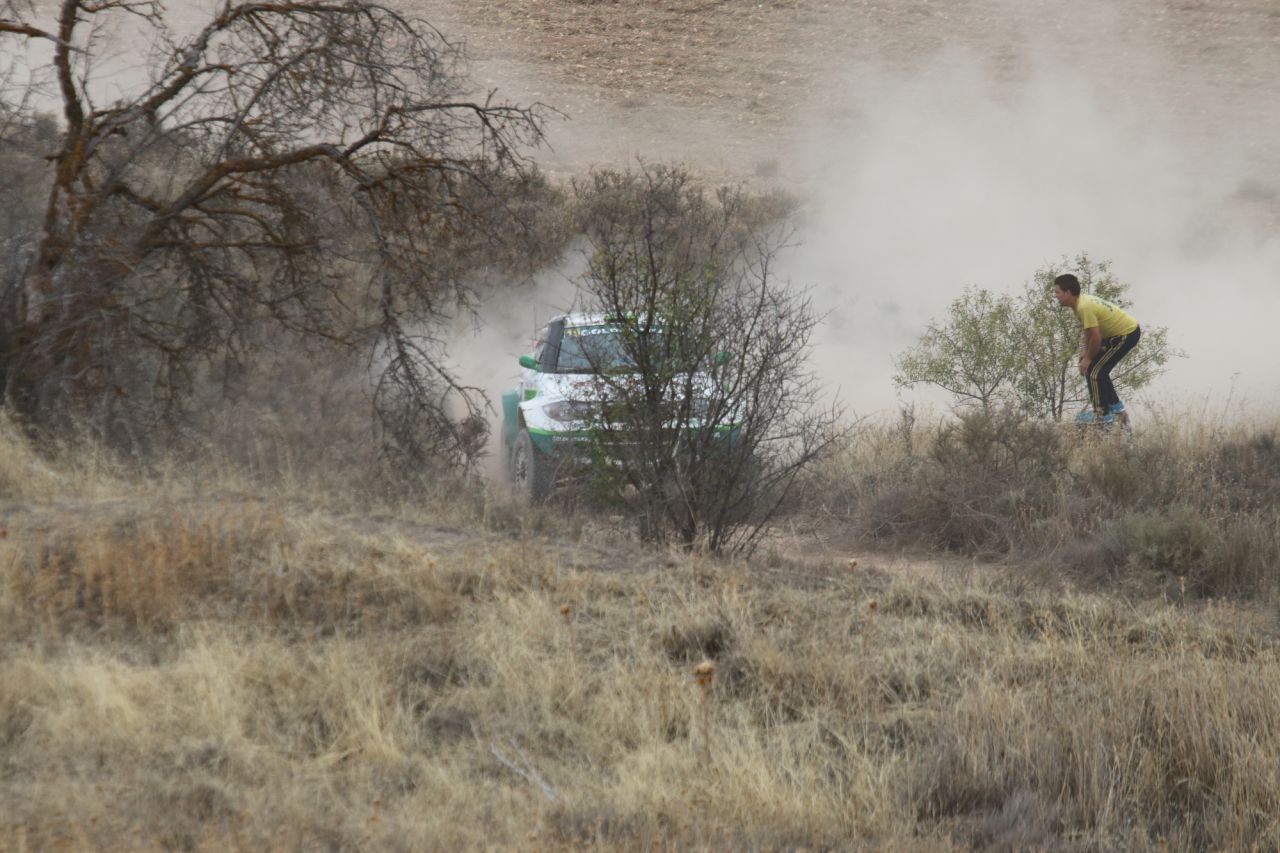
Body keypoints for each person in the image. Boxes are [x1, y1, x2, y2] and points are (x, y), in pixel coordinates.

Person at [1052, 273, 1142, 425]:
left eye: (1057, 292)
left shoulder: (1084, 307)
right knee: (1099, 370)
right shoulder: (1080, 303)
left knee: (1094, 372)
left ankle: (1102, 416)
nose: (1055, 296)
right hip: (1120, 334)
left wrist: (1087, 359)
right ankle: (1116, 409)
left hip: (1126, 334)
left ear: (1067, 293)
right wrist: (1084, 351)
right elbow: (1089, 330)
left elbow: (1096, 338)